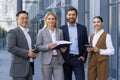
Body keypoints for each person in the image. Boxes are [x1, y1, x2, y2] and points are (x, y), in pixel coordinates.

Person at [7, 11, 37, 80]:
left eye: (26, 18)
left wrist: (34, 53)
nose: (25, 20)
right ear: (17, 20)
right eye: (22, 18)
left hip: (30, 67)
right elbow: (11, 48)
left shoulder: (29, 32)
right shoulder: (13, 32)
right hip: (19, 69)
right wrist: (27, 53)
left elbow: (31, 47)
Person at [59, 7, 88, 80]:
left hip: (78, 58)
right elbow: (59, 44)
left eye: (73, 14)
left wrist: (84, 56)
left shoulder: (82, 28)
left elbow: (86, 43)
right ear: (66, 16)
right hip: (66, 59)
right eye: (69, 14)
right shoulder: (61, 29)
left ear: (76, 16)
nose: (71, 16)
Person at [36, 12, 65, 80]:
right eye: (49, 19)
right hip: (46, 62)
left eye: (53, 19)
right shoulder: (41, 32)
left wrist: (63, 49)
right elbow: (38, 47)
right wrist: (48, 46)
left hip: (58, 60)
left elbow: (61, 45)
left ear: (55, 20)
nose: (51, 21)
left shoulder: (60, 31)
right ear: (46, 20)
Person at [87, 16, 114, 80]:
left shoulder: (107, 35)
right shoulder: (91, 36)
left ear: (102, 23)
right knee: (90, 78)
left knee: (102, 78)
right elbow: (89, 47)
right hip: (92, 60)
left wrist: (99, 50)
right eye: (94, 22)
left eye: (98, 22)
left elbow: (112, 51)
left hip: (102, 61)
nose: (96, 24)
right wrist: (89, 50)